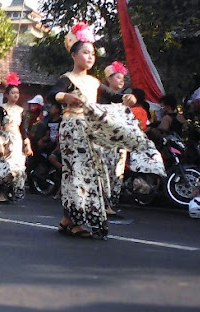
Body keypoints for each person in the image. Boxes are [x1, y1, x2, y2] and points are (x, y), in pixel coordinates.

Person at [47, 22, 137, 239]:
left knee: (89, 173)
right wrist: (65, 97)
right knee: (77, 172)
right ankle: (74, 220)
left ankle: (68, 219)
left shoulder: (94, 81)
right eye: (85, 52)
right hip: (73, 129)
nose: (90, 57)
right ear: (74, 55)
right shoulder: (67, 79)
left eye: (92, 53)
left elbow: (115, 97)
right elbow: (52, 94)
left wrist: (128, 98)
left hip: (90, 131)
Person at [0, 73, 32, 203]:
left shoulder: (21, 110)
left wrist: (27, 145)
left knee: (16, 169)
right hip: (4, 139)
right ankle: (1, 192)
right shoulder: (2, 109)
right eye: (13, 93)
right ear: (7, 95)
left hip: (17, 140)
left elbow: (24, 129)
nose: (16, 95)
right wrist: (0, 142)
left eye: (17, 93)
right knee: (4, 168)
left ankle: (8, 189)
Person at [99, 61, 131, 213]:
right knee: (105, 171)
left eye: (122, 78)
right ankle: (103, 203)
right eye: (118, 77)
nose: (121, 80)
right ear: (109, 79)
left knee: (118, 172)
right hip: (105, 141)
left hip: (120, 142)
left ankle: (112, 203)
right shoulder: (101, 100)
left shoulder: (125, 101)